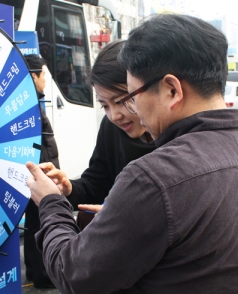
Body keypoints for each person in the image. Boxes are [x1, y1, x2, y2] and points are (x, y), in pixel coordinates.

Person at [25, 13, 238, 294]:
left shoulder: (154, 179)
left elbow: (73, 273)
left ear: (172, 89)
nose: (128, 112)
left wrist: (50, 204)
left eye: (130, 97)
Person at [39, 40, 156, 214]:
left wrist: (124, 216)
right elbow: (96, 184)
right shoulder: (111, 128)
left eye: (121, 101)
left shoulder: (177, 137)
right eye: (105, 106)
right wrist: (69, 188)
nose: (114, 116)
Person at [23, 55, 60, 288]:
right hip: (39, 173)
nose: (45, 79)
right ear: (34, 75)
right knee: (39, 223)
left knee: (32, 224)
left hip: (33, 173)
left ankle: (33, 271)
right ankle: (43, 276)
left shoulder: (29, 100)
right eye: (44, 74)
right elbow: (39, 145)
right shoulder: (31, 103)